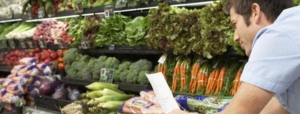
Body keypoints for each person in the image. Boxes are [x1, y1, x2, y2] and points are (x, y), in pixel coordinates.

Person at [170, 0, 300, 113]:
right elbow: (283, 108)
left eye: (235, 24)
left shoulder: (277, 36)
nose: (236, 37)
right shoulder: (292, 28)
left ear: (255, 11)